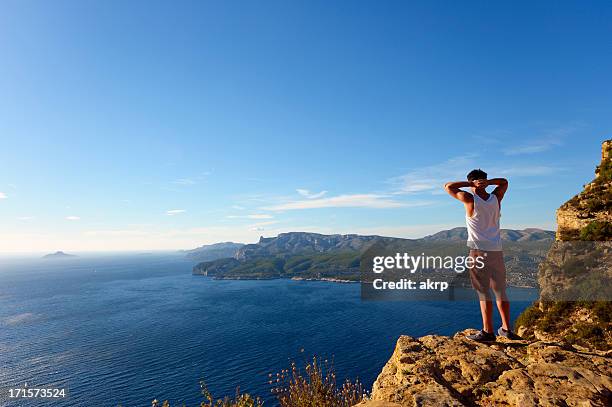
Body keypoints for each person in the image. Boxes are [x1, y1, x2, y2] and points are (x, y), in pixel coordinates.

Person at [444, 169, 520, 342]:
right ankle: (507, 329)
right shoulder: (496, 199)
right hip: (497, 251)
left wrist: (471, 185)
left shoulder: (470, 199)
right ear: (484, 181)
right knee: (501, 291)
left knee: (483, 293)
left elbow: (448, 187)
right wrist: (489, 182)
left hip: (478, 252)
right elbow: (504, 182)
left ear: (472, 183)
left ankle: (488, 332)